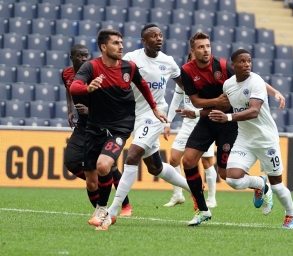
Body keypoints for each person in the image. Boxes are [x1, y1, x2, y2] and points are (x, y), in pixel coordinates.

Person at [180, 32, 285, 226]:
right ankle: (202, 210)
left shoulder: (221, 66)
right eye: (201, 47)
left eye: (208, 46)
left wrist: (275, 92)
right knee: (188, 160)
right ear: (193, 51)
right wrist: (215, 102)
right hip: (209, 119)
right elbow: (195, 101)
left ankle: (260, 184)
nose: (206, 50)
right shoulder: (187, 71)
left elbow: (251, 78)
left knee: (225, 174)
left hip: (229, 123)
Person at [70, 29, 167, 231]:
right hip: (94, 127)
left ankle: (103, 211)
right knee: (91, 182)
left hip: (120, 127)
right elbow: (74, 87)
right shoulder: (91, 67)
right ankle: (100, 210)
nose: (121, 46)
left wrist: (155, 108)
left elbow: (142, 86)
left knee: (104, 165)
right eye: (115, 43)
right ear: (104, 47)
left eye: (121, 42)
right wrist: (87, 89)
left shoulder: (129, 67)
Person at [107, 24, 196, 222]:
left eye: (160, 35)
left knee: (132, 156)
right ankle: (193, 187)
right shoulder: (131, 58)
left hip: (156, 114)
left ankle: (113, 211)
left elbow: (186, 87)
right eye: (153, 36)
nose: (158, 38)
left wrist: (198, 107)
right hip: (133, 115)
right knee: (155, 168)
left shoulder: (169, 62)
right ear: (143, 41)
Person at [208, 48, 293, 229]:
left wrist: (228, 118)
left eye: (249, 61)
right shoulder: (228, 85)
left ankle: (291, 214)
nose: (247, 64)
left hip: (266, 139)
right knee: (232, 179)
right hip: (244, 138)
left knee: (278, 185)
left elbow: (254, 111)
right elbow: (226, 102)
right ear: (233, 65)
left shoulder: (255, 81)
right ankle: (259, 184)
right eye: (242, 61)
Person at [62, 44, 133, 217]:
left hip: (100, 124)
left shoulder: (97, 73)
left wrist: (91, 110)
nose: (84, 58)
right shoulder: (66, 74)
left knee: (107, 166)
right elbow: (69, 90)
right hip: (82, 125)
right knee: (71, 161)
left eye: (86, 55)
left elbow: (109, 102)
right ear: (72, 58)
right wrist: (71, 110)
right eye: (80, 55)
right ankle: (101, 194)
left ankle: (124, 206)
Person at [163, 52, 217, 208]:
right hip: (187, 125)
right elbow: (175, 101)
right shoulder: (184, 81)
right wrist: (168, 123)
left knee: (207, 162)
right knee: (173, 158)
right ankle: (178, 195)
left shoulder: (208, 80)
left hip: (204, 124)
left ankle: (212, 198)